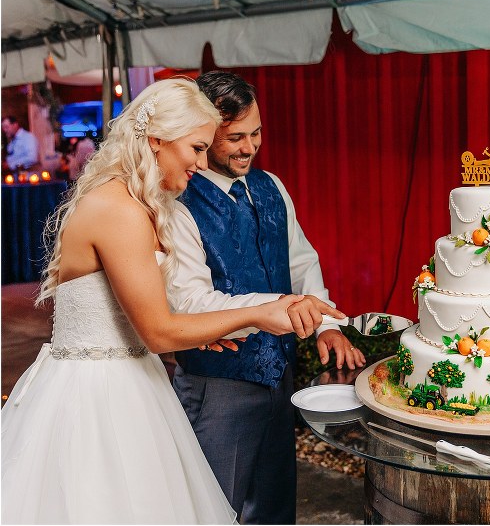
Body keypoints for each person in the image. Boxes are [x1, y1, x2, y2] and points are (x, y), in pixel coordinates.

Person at [0, 78, 344, 524]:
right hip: (96, 395)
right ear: (158, 140)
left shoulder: (138, 202)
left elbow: (156, 314)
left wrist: (209, 328)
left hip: (131, 379)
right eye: (198, 147)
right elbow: (160, 331)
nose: (201, 163)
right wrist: (261, 312)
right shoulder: (119, 209)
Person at [167, 71, 366, 524]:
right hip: (219, 384)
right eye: (234, 137)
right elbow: (190, 303)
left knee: (275, 508)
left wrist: (327, 326)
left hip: (279, 377)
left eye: (256, 133)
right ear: (202, 135)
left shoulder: (271, 186)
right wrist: (278, 308)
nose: (249, 147)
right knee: (215, 509)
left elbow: (302, 262)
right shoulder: (178, 203)